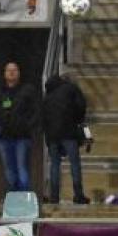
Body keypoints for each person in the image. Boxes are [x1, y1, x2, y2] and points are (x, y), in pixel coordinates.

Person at [0, 62, 39, 192]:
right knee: (9, 170)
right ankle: (13, 202)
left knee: (22, 168)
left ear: (19, 73)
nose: (11, 72)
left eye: (14, 70)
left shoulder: (28, 90)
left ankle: (24, 200)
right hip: (4, 136)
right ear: (4, 74)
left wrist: (28, 127)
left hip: (22, 136)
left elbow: (36, 111)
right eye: (8, 70)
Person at [40, 74, 89, 204]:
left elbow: (43, 118)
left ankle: (54, 196)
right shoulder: (71, 89)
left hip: (52, 136)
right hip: (68, 132)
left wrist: (48, 137)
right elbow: (81, 106)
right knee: (74, 164)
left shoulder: (47, 95)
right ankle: (78, 195)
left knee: (55, 165)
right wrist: (77, 120)